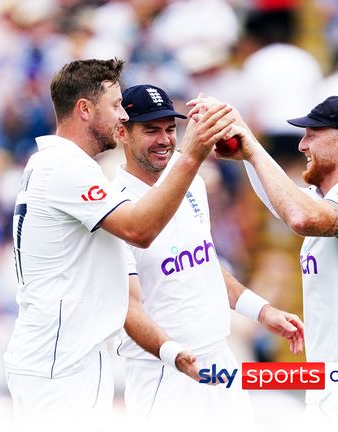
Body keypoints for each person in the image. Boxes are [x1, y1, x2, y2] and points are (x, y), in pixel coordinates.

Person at [3, 59, 235, 430]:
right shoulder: (65, 167)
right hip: (59, 363)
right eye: (115, 106)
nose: (122, 116)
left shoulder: (59, 163)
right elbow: (140, 230)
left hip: (66, 356)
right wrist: (191, 156)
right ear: (84, 109)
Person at [191, 94, 338, 429]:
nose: (303, 145)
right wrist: (247, 149)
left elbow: (299, 217)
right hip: (334, 386)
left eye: (312, 135)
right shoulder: (329, 200)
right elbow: (283, 203)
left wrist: (252, 148)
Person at [112, 84, 304, 428]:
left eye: (170, 129)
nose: (164, 139)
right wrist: (177, 357)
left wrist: (263, 311)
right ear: (122, 133)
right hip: (164, 373)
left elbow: (204, 264)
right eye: (151, 130)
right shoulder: (112, 206)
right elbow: (127, 306)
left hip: (219, 358)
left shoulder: (193, 185)